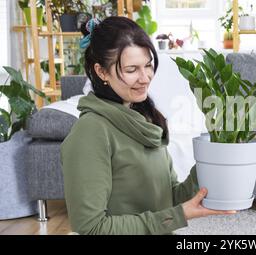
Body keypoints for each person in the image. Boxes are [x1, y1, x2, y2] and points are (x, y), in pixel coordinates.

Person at [61, 16, 235, 235]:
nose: (145, 78)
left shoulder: (145, 118)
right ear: (101, 72)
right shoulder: (91, 133)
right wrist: (178, 215)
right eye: (132, 69)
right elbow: (91, 228)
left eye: (148, 66)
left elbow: (168, 197)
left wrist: (213, 158)